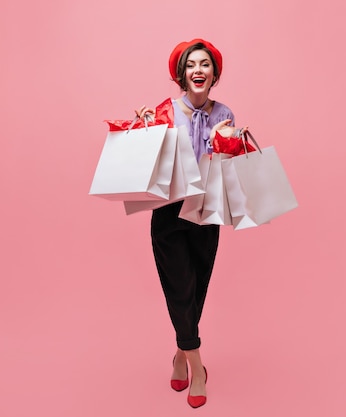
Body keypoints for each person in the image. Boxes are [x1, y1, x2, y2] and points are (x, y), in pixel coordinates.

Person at [135, 38, 241, 409]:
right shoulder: (165, 111)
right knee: (179, 288)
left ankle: (179, 354)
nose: (198, 70)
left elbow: (228, 174)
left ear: (214, 73)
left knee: (197, 290)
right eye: (191, 64)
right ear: (181, 74)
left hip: (206, 211)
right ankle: (197, 366)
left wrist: (229, 144)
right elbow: (149, 162)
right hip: (168, 212)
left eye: (205, 64)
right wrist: (142, 128)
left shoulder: (224, 112)